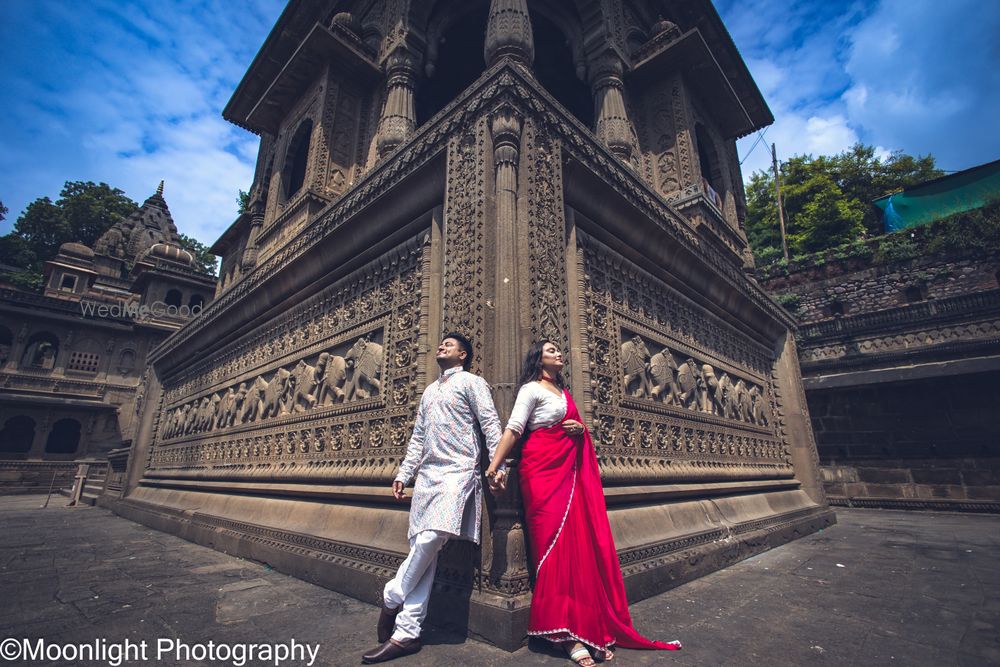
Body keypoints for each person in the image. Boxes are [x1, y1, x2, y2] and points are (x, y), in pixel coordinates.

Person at [486, 340, 682, 666]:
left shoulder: (563, 394)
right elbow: (515, 430)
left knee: (576, 549)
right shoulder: (530, 390)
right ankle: (565, 637)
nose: (559, 354)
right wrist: (495, 466)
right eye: (551, 351)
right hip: (542, 475)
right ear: (538, 359)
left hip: (568, 473)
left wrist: (579, 430)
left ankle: (583, 628)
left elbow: (565, 426)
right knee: (552, 549)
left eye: (559, 350)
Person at [362, 333, 504, 664]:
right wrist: (403, 474)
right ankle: (407, 634)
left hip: (458, 472)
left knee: (432, 537)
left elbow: (490, 425)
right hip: (427, 476)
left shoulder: (472, 383)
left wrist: (499, 468)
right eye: (440, 344)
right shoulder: (429, 391)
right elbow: (419, 436)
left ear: (463, 354)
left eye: (449, 345)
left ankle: (391, 595)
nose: (441, 347)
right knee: (425, 556)